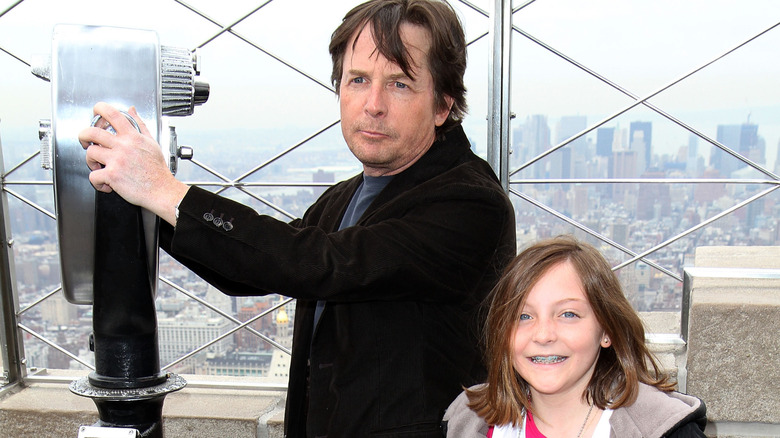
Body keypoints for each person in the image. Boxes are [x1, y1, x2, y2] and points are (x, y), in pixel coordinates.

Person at [78, 0, 517, 436]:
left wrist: (163, 189)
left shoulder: (471, 204)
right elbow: (251, 271)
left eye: (400, 84)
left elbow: (319, 264)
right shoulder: (346, 197)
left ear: (443, 105)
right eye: (358, 80)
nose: (373, 104)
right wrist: (146, 200)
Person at [442, 236, 707, 438]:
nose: (543, 334)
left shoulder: (661, 429)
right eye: (523, 316)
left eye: (568, 314)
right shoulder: (469, 421)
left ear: (606, 330)